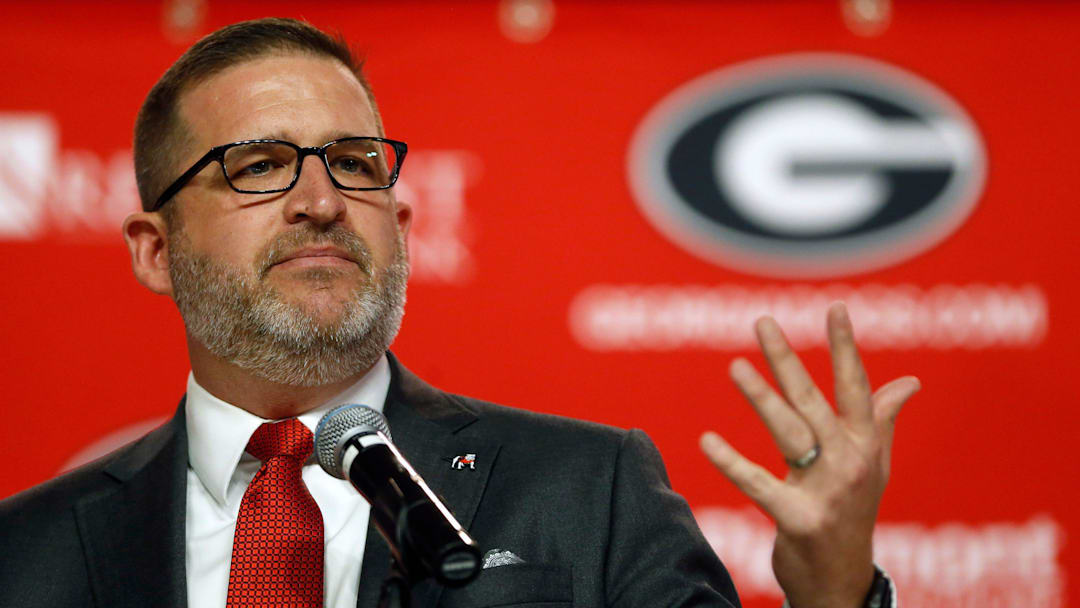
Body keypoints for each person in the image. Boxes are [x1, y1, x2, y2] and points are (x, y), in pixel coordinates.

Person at [0, 18, 918, 608]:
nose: (321, 200)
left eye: (356, 163)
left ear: (400, 223)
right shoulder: (25, 553)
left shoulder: (587, 491)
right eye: (258, 163)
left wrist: (834, 597)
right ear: (153, 250)